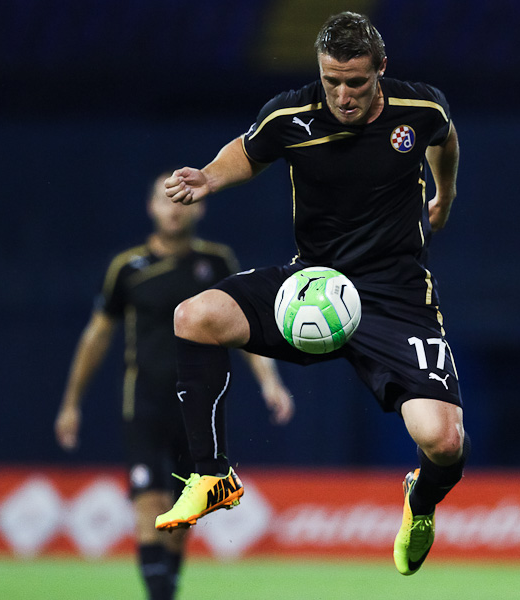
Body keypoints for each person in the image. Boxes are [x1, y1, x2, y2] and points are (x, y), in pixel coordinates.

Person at [154, 12, 467, 577]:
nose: (343, 96)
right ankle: (213, 475)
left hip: (396, 297)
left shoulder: (419, 108)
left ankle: (420, 501)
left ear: (381, 69)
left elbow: (444, 138)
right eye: (332, 81)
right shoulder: (291, 114)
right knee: (194, 316)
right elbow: (248, 150)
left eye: (357, 82)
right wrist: (209, 176)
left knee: (444, 442)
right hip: (312, 285)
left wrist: (444, 194)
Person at [54, 173, 293, 600]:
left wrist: (270, 382)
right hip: (144, 403)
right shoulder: (127, 267)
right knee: (149, 504)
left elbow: (245, 330)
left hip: (198, 408)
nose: (175, 209)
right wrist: (71, 403)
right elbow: (97, 336)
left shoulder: (217, 263)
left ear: (200, 206)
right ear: (151, 207)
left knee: (182, 517)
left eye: (184, 200)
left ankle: (167, 588)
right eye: (166, 199)